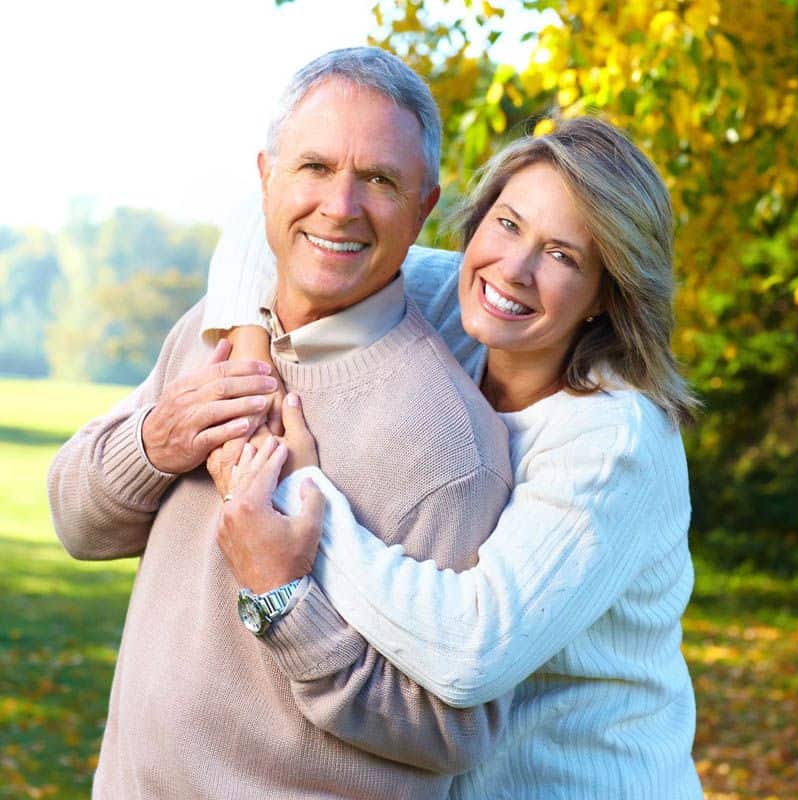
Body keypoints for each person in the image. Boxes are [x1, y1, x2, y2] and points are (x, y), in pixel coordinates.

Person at [47, 47, 515, 800]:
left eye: (380, 180)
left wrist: (284, 603)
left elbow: (455, 732)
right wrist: (155, 443)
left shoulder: (449, 444)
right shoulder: (211, 331)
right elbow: (76, 523)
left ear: (425, 207)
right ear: (266, 177)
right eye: (315, 168)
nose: (340, 206)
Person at [204, 116, 704, 799]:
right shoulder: (452, 303)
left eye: (562, 256)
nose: (515, 269)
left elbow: (470, 651)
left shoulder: (614, 439)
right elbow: (258, 221)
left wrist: (301, 497)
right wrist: (253, 364)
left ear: (607, 294)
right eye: (507, 224)